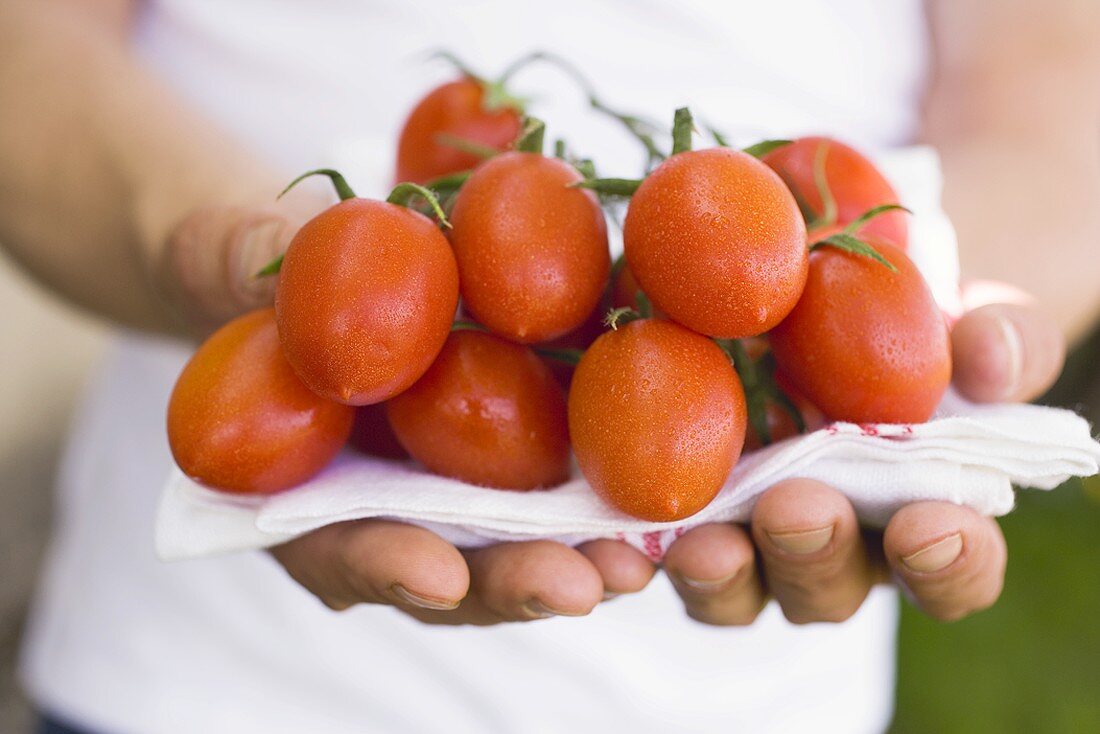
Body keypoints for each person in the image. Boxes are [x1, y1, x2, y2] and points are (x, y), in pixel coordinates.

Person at [1, 1, 1096, 732]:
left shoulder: (707, 257)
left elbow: (1058, 102)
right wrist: (209, 246)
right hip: (193, 679)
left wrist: (945, 323)